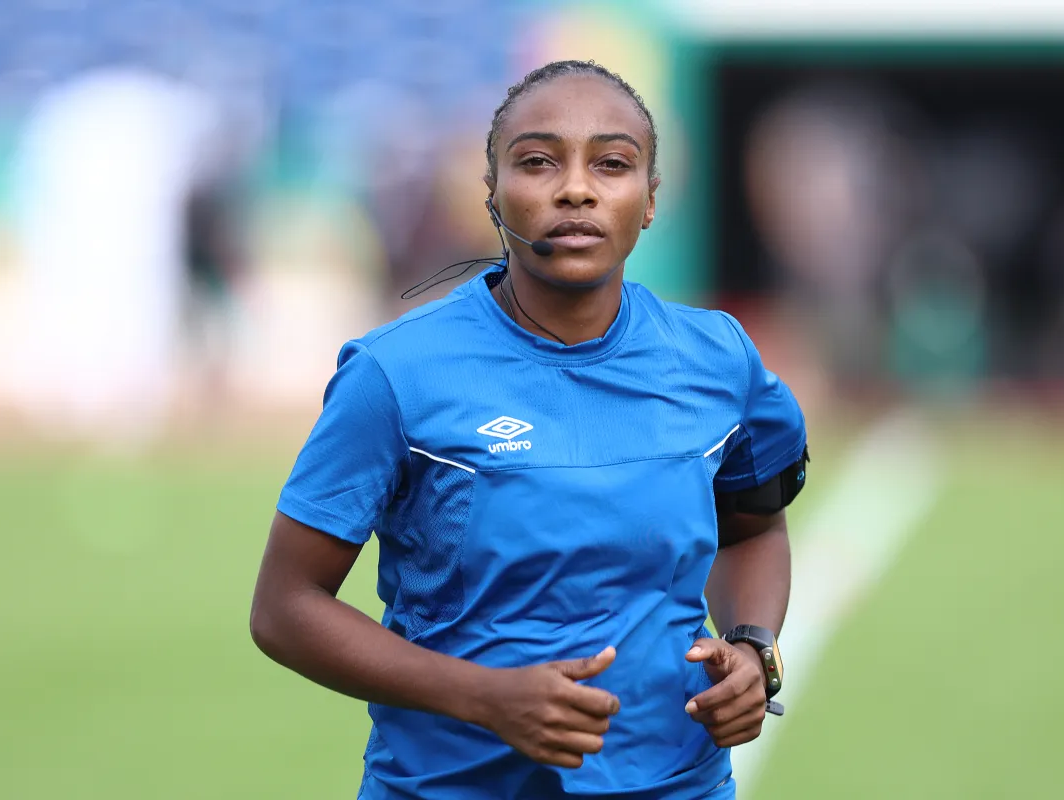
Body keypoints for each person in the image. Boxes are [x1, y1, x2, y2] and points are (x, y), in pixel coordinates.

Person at [251, 60, 809, 800]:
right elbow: (285, 608)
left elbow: (751, 528)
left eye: (612, 164)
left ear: (649, 200)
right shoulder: (397, 372)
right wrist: (480, 696)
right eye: (538, 161)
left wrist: (752, 647)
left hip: (677, 785)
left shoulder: (718, 361)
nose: (575, 188)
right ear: (492, 194)